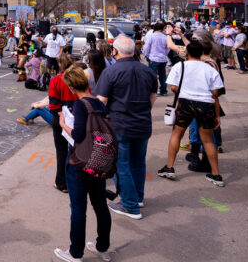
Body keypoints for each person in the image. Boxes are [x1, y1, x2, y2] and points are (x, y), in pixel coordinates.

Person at [94, 36, 157, 219]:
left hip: (120, 124)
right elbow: (153, 97)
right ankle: (137, 197)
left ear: (115, 51)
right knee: (138, 162)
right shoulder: (147, 71)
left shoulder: (111, 72)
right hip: (142, 123)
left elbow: (101, 101)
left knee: (121, 165)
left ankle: (130, 205)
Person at [54, 66, 112, 262]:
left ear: (71, 88)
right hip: (98, 159)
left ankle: (75, 252)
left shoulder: (80, 105)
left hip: (80, 162)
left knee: (78, 208)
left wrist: (63, 124)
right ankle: (102, 247)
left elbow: (78, 135)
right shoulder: (99, 103)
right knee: (100, 205)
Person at [157, 40, 226, 187]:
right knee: (208, 140)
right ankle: (216, 174)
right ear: (202, 53)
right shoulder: (210, 69)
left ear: (187, 53)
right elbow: (215, 93)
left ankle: (169, 167)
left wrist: (183, 92)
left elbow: (173, 87)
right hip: (206, 104)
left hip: (185, 103)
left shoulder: (179, 66)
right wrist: (217, 115)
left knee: (177, 134)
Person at [47, 53, 77, 192]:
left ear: (60, 65)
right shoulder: (79, 79)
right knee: (76, 150)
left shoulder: (56, 80)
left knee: (61, 151)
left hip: (61, 118)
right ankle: (73, 180)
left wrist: (60, 115)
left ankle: (62, 182)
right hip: (77, 117)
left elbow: (53, 103)